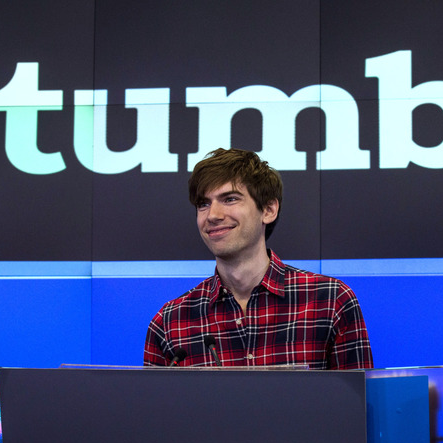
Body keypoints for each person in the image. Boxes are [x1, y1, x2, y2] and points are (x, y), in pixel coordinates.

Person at [144, 148, 373, 370]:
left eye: (230, 199)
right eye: (203, 204)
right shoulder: (169, 322)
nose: (212, 215)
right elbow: (156, 409)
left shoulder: (331, 301)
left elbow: (357, 406)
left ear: (268, 210)